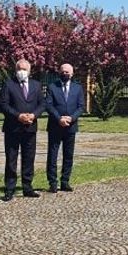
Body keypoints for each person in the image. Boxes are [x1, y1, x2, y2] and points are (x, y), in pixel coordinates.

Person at [0, 58, 44, 201]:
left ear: (29, 71)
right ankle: (9, 188)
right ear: (15, 70)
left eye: (24, 69)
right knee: (11, 159)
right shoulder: (9, 84)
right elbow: (3, 105)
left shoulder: (36, 85)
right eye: (19, 69)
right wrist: (18, 116)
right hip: (13, 128)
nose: (21, 72)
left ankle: (27, 187)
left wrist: (34, 115)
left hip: (30, 127)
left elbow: (42, 104)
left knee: (29, 158)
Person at [45, 62, 85, 193]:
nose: (65, 74)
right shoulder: (52, 87)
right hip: (55, 126)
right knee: (52, 155)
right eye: (62, 71)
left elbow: (81, 107)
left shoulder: (77, 88)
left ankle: (65, 181)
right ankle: (52, 182)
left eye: (67, 72)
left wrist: (71, 118)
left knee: (68, 155)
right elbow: (49, 105)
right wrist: (59, 118)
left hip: (71, 126)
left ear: (72, 74)